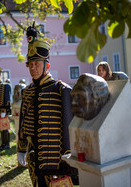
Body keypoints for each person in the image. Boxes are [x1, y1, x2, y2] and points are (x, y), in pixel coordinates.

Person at [17, 23, 78, 186]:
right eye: (30, 64)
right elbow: (23, 123)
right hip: (32, 157)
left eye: (37, 63)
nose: (33, 68)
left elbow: (68, 128)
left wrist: (66, 163)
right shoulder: (27, 91)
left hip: (54, 160)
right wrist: (21, 148)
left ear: (47, 65)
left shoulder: (61, 89)